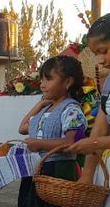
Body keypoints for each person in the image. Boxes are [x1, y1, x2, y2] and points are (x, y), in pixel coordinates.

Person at [17, 56, 87, 207]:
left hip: (57, 172)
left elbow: (72, 141)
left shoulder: (71, 110)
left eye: (48, 79)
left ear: (67, 82)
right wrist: (40, 105)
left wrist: (39, 144)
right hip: (38, 170)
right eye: (41, 80)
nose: (42, 85)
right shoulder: (46, 109)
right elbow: (22, 127)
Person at [66, 13, 110, 206]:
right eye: (96, 54)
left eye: (103, 50)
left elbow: (97, 138)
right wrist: (87, 175)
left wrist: (95, 143)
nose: (100, 60)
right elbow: (100, 127)